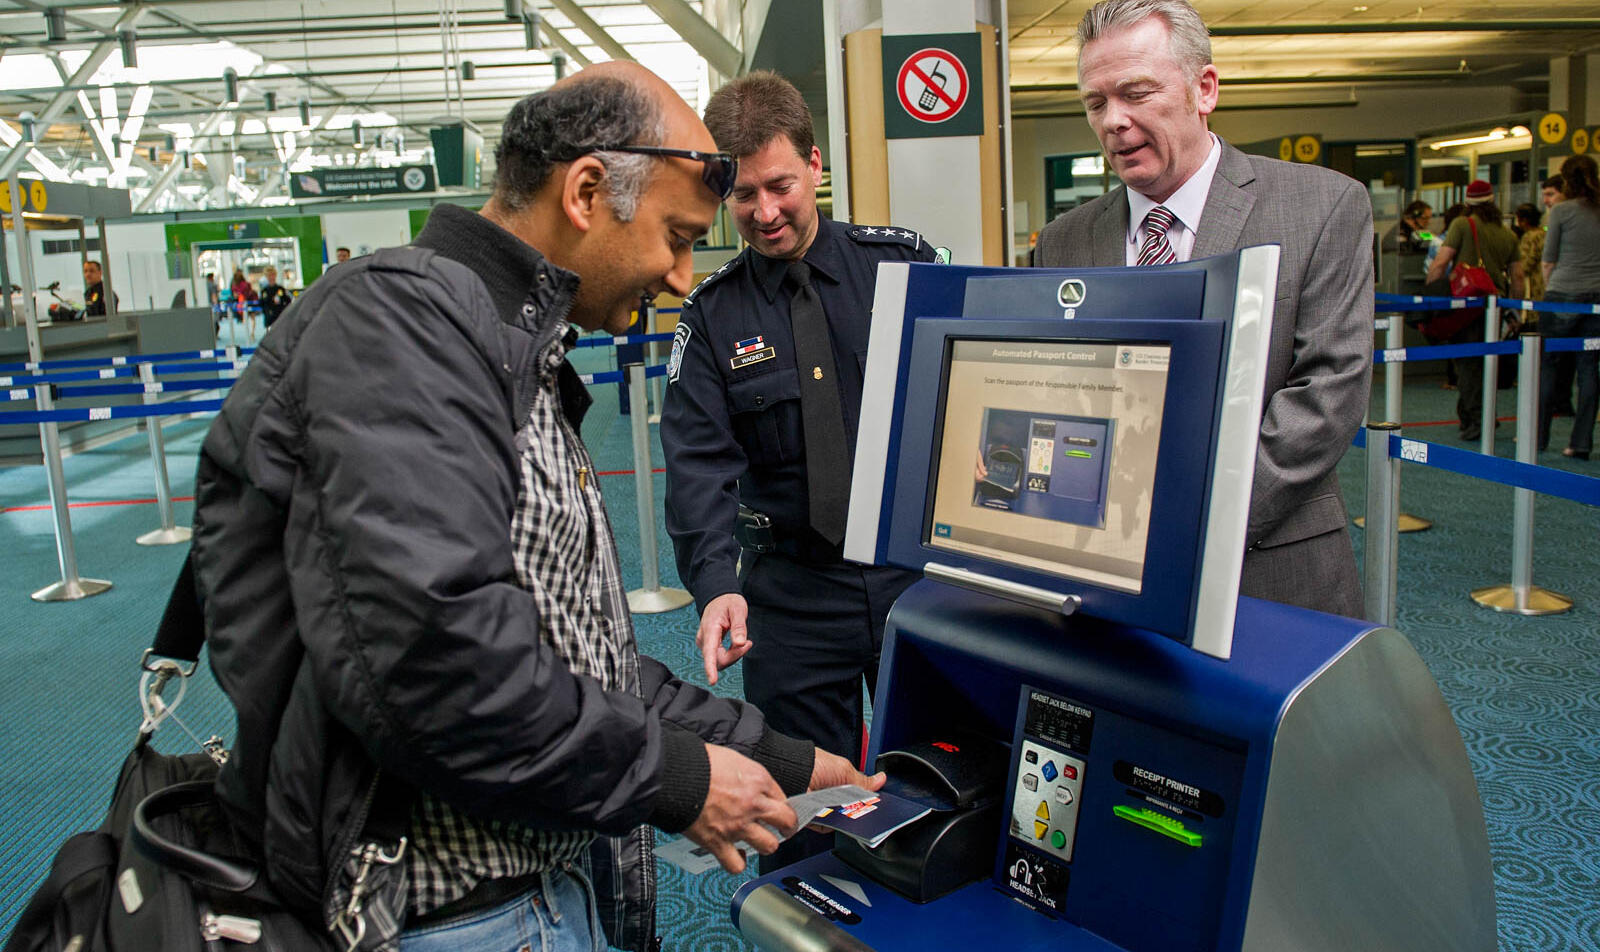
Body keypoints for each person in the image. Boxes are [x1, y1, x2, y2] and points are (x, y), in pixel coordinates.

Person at [191, 61, 879, 952]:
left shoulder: (503, 350)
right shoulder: (401, 330)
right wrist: (681, 780)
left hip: (538, 887)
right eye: (675, 236)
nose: (682, 277)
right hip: (450, 913)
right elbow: (440, 665)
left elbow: (579, 656)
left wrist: (778, 757)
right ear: (587, 193)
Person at [660, 70, 937, 866]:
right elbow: (698, 466)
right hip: (792, 598)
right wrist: (715, 583)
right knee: (803, 819)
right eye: (742, 195)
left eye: (779, 186)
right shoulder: (712, 316)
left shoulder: (903, 268)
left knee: (940, 791)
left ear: (816, 164)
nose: (764, 212)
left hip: (917, 583)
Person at [1031, 0, 1372, 619]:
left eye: (1136, 93)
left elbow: (1328, 393)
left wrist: (1187, 524)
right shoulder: (1064, 242)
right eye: (1095, 102)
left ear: (1204, 89)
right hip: (1100, 570)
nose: (1114, 121)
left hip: (1267, 564)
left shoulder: (1320, 207)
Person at [1426, 179, 1523, 442]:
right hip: (1496, 304)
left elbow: (1441, 262)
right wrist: (1516, 311)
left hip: (1468, 304)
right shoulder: (1508, 234)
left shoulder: (1462, 224)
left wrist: (1429, 298)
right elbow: (1518, 276)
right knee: (1487, 362)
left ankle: (1476, 419)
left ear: (1468, 202)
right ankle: (1483, 414)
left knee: (1468, 364)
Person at [1537, 153, 1600, 460]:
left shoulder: (1561, 211)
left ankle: (1537, 436)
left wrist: (1549, 289)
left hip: (1562, 293)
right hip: (1596, 298)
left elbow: (1548, 260)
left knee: (1547, 365)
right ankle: (1581, 443)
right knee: (1589, 369)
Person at [258, 264, 293, 328]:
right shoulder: (264, 291)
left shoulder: (280, 289)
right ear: (266, 277)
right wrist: (267, 312)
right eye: (269, 275)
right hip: (269, 320)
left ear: (275, 275)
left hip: (280, 319)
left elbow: (288, 301)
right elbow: (261, 304)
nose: (271, 277)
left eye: (273, 275)